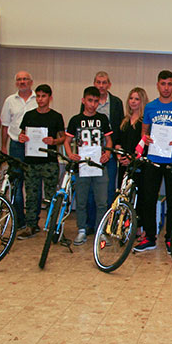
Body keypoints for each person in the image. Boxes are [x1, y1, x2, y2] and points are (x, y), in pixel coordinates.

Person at [134, 70, 172, 253]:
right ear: (158, 85)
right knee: (148, 199)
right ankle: (150, 237)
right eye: (163, 84)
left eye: (170, 84)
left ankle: (170, 238)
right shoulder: (150, 107)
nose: (166, 88)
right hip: (153, 160)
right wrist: (146, 138)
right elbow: (144, 131)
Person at [64, 86, 113, 245]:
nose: (92, 104)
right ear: (83, 100)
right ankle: (82, 230)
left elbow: (109, 140)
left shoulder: (103, 119)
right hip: (82, 166)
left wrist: (108, 153)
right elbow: (67, 141)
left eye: (96, 101)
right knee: (82, 200)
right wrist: (70, 154)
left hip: (99, 166)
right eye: (90, 101)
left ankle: (101, 230)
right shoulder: (75, 120)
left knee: (101, 201)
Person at [16, 84, 66, 239]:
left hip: (49, 161)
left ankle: (53, 227)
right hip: (31, 161)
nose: (40, 99)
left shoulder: (56, 116)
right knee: (31, 195)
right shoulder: (29, 115)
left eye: (43, 96)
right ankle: (31, 225)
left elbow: (63, 137)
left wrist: (54, 141)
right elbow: (22, 134)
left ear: (50, 98)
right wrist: (22, 138)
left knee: (51, 195)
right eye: (38, 96)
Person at [81, 72, 124, 234]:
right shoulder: (88, 101)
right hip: (90, 153)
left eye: (104, 82)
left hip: (109, 153)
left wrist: (115, 147)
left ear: (109, 85)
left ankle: (107, 224)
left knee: (108, 189)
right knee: (91, 191)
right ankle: (91, 224)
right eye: (98, 82)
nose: (101, 85)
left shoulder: (116, 102)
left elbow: (119, 126)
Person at [0, 71, 37, 229]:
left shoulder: (38, 99)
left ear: (31, 81)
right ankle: (19, 220)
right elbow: (5, 125)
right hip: (15, 145)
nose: (22, 82)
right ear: (16, 83)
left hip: (33, 147)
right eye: (19, 80)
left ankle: (32, 221)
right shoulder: (10, 100)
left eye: (25, 79)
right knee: (16, 183)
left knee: (33, 183)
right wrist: (3, 146)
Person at [116, 87, 150, 243]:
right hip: (123, 165)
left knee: (140, 199)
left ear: (142, 101)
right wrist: (119, 154)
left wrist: (132, 158)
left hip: (139, 166)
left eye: (137, 99)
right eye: (131, 98)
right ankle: (123, 227)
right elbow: (117, 142)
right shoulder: (123, 121)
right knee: (123, 197)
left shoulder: (145, 123)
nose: (133, 102)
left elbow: (145, 146)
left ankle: (138, 229)